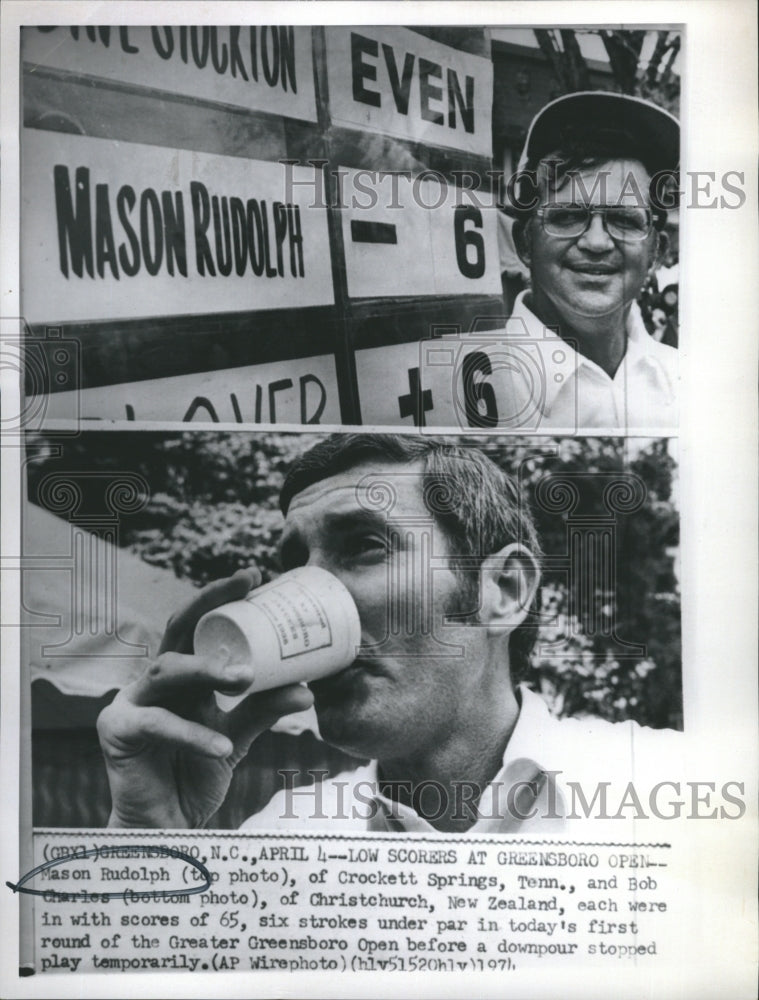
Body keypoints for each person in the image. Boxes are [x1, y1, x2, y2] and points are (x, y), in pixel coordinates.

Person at [97, 434, 678, 833]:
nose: (308, 595)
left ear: (503, 590)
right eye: (296, 565)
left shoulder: (671, 793)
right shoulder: (284, 837)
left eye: (365, 546)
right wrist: (148, 841)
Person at [503, 91, 679, 430]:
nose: (597, 242)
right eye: (568, 216)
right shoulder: (461, 387)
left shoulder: (694, 383)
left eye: (625, 220)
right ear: (525, 243)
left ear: (656, 251)